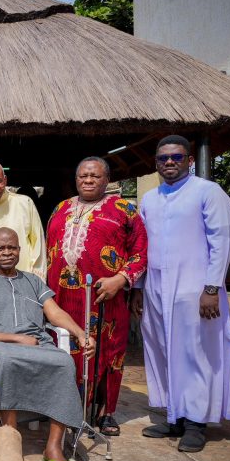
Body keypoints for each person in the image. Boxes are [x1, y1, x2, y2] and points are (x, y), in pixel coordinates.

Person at [132, 135, 230, 453]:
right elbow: (142, 246)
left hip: (195, 288)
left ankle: (196, 423)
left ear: (188, 159)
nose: (169, 163)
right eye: (163, 158)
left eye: (176, 157)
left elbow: (222, 240)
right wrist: (137, 289)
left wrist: (211, 288)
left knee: (196, 354)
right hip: (155, 288)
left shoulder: (208, 192)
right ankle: (174, 416)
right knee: (162, 351)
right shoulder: (150, 200)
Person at [0, 227, 93, 461]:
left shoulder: (33, 281)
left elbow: (54, 313)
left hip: (38, 342)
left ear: (19, 250)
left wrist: (80, 333)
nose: (6, 253)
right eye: (0, 248)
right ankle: (11, 439)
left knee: (65, 362)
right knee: (8, 360)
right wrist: (16, 339)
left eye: (11, 247)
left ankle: (53, 447)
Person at [46, 157, 148, 436]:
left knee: (107, 353)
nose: (88, 180)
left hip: (105, 299)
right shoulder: (61, 207)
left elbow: (140, 254)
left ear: (107, 180)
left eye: (94, 176)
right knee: (65, 351)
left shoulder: (124, 210)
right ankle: (67, 408)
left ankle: (105, 412)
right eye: (83, 176)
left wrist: (121, 279)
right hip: (65, 299)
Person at [0, 161, 46, 278]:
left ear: (5, 180)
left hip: (24, 282)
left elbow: (38, 247)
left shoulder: (25, 204)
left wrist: (37, 283)